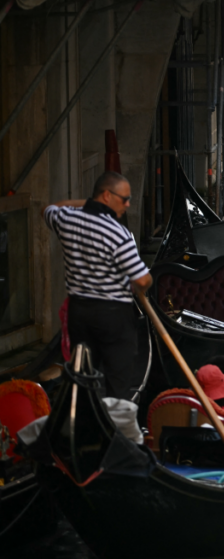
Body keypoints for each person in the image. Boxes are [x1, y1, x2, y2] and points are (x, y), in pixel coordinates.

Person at [44, 171, 152, 400]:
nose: (128, 204)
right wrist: (145, 284)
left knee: (83, 378)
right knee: (118, 382)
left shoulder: (66, 220)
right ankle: (115, 418)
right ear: (106, 196)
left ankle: (85, 417)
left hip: (79, 314)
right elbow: (142, 280)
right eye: (124, 199)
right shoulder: (119, 234)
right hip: (113, 316)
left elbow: (50, 207)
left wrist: (89, 203)